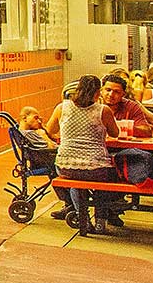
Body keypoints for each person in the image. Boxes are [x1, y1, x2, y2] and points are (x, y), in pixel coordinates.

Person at [49, 74, 120, 235]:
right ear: (97, 93)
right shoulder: (103, 110)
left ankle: (84, 219)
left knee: (76, 180)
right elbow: (115, 133)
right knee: (106, 178)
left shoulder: (62, 107)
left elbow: (51, 130)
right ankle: (101, 221)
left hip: (64, 166)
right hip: (96, 167)